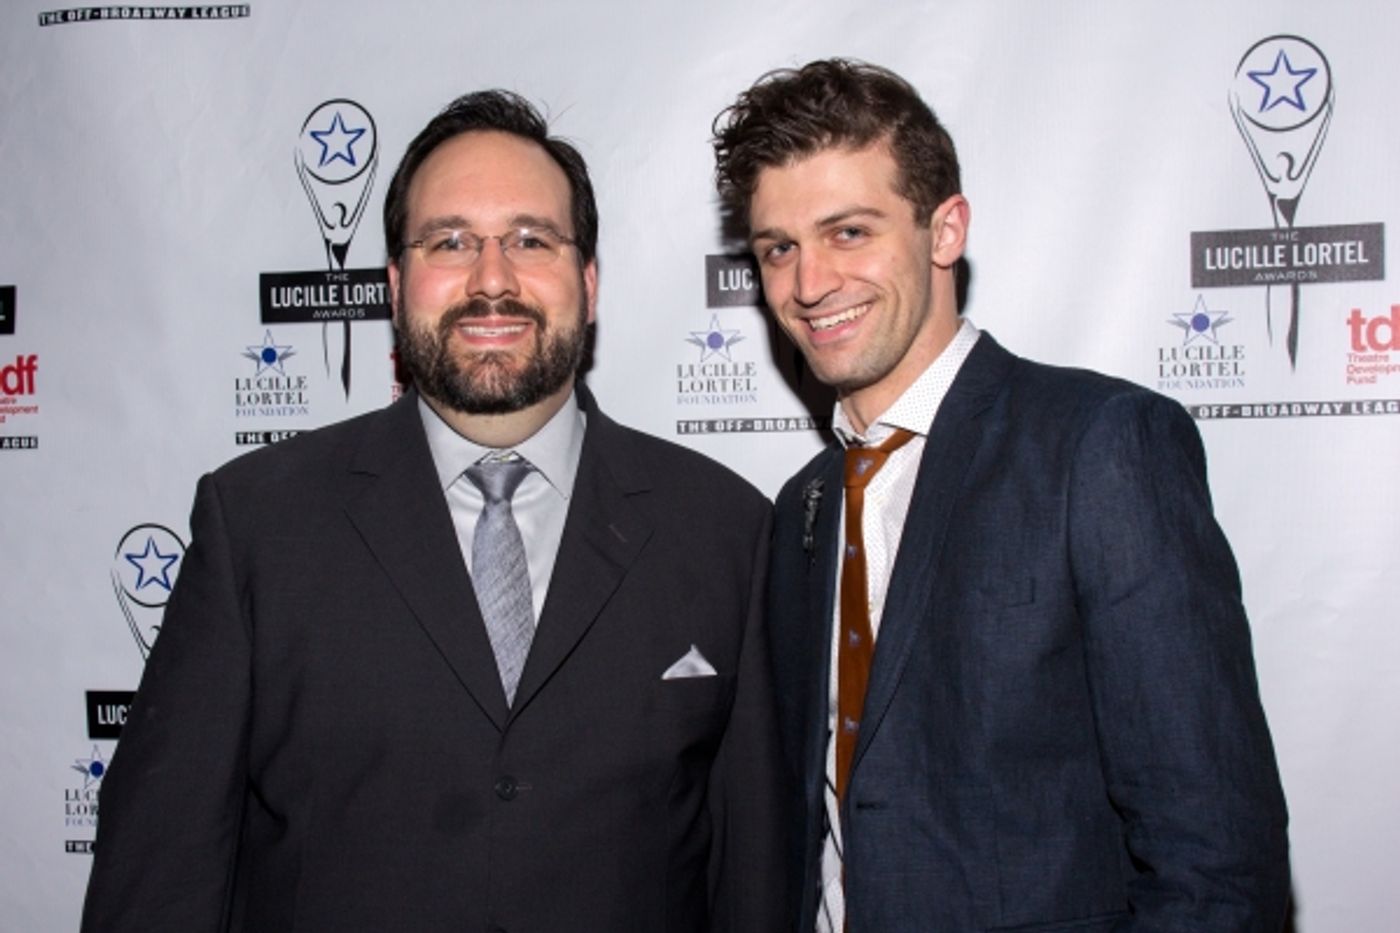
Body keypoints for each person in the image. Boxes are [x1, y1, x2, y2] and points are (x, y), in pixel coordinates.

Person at [83, 90, 785, 933]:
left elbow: (756, 883)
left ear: (588, 283)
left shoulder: (725, 530)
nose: (492, 280)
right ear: (394, 283)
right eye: (449, 242)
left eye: (532, 240)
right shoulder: (258, 526)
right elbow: (161, 878)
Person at [713, 59, 1289, 932]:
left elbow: (1213, 856)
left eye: (850, 232)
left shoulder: (1098, 445)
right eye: (778, 248)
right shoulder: (803, 505)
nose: (809, 283)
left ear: (944, 232)